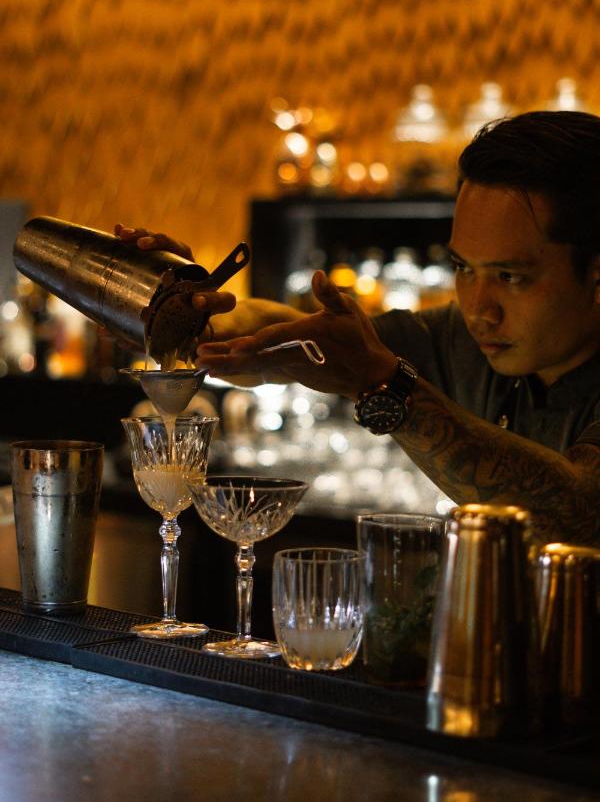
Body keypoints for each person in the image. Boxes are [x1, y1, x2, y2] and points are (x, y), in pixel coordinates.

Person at [116, 111, 600, 545]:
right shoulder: (464, 339)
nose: (479, 309)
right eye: (463, 268)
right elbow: (297, 334)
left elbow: (575, 515)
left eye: (509, 277)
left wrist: (387, 386)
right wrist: (192, 314)